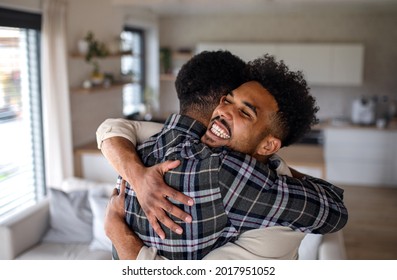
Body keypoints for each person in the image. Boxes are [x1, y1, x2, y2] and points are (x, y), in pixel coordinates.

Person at [97, 52, 348, 260]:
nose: (224, 110)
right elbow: (335, 213)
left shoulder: (148, 143)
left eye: (245, 112)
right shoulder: (225, 172)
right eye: (227, 100)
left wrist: (117, 225)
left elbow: (109, 128)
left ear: (269, 145)